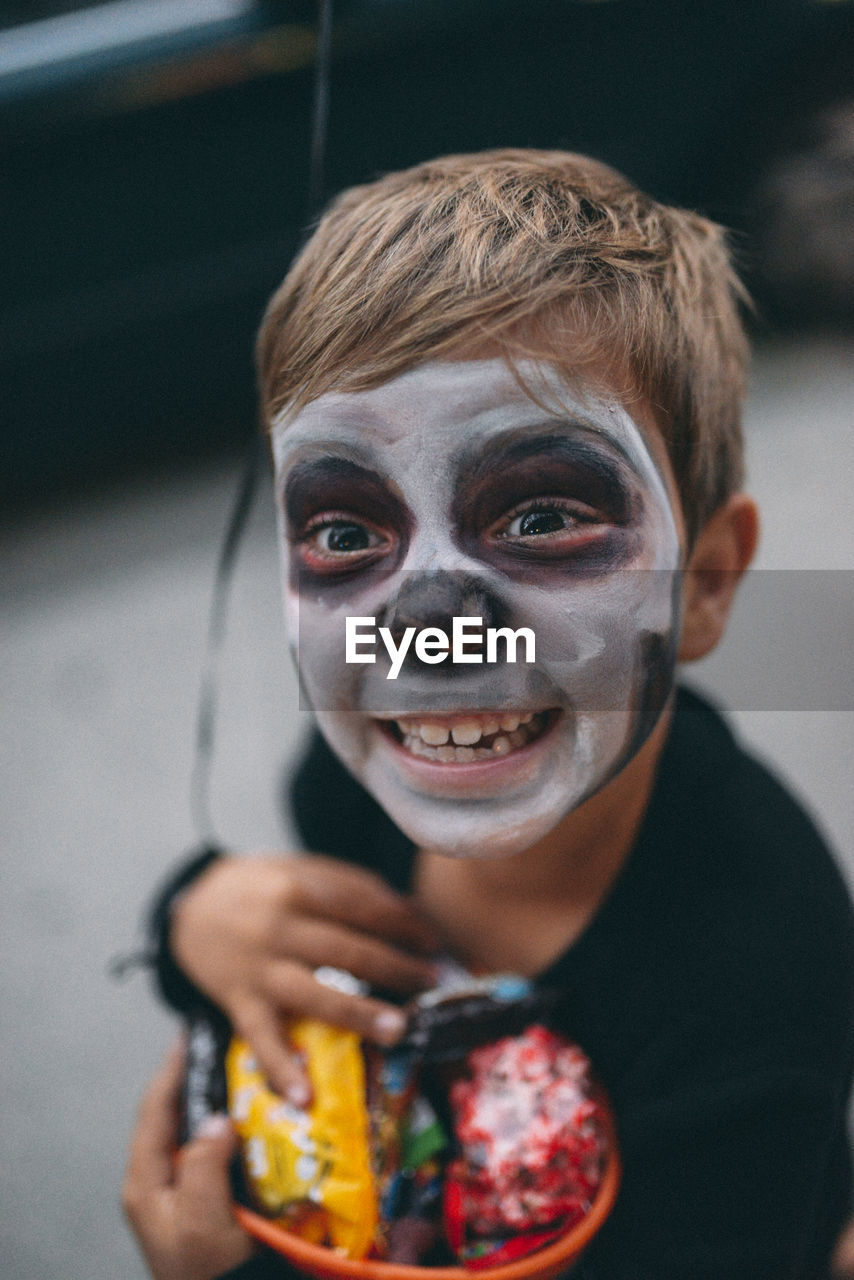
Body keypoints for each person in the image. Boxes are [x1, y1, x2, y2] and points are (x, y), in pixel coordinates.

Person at [122, 150, 854, 1280]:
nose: (428, 630)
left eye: (543, 514)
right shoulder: (353, 785)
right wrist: (192, 918)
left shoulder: (759, 975)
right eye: (345, 532)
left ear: (702, 581)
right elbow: (306, 999)